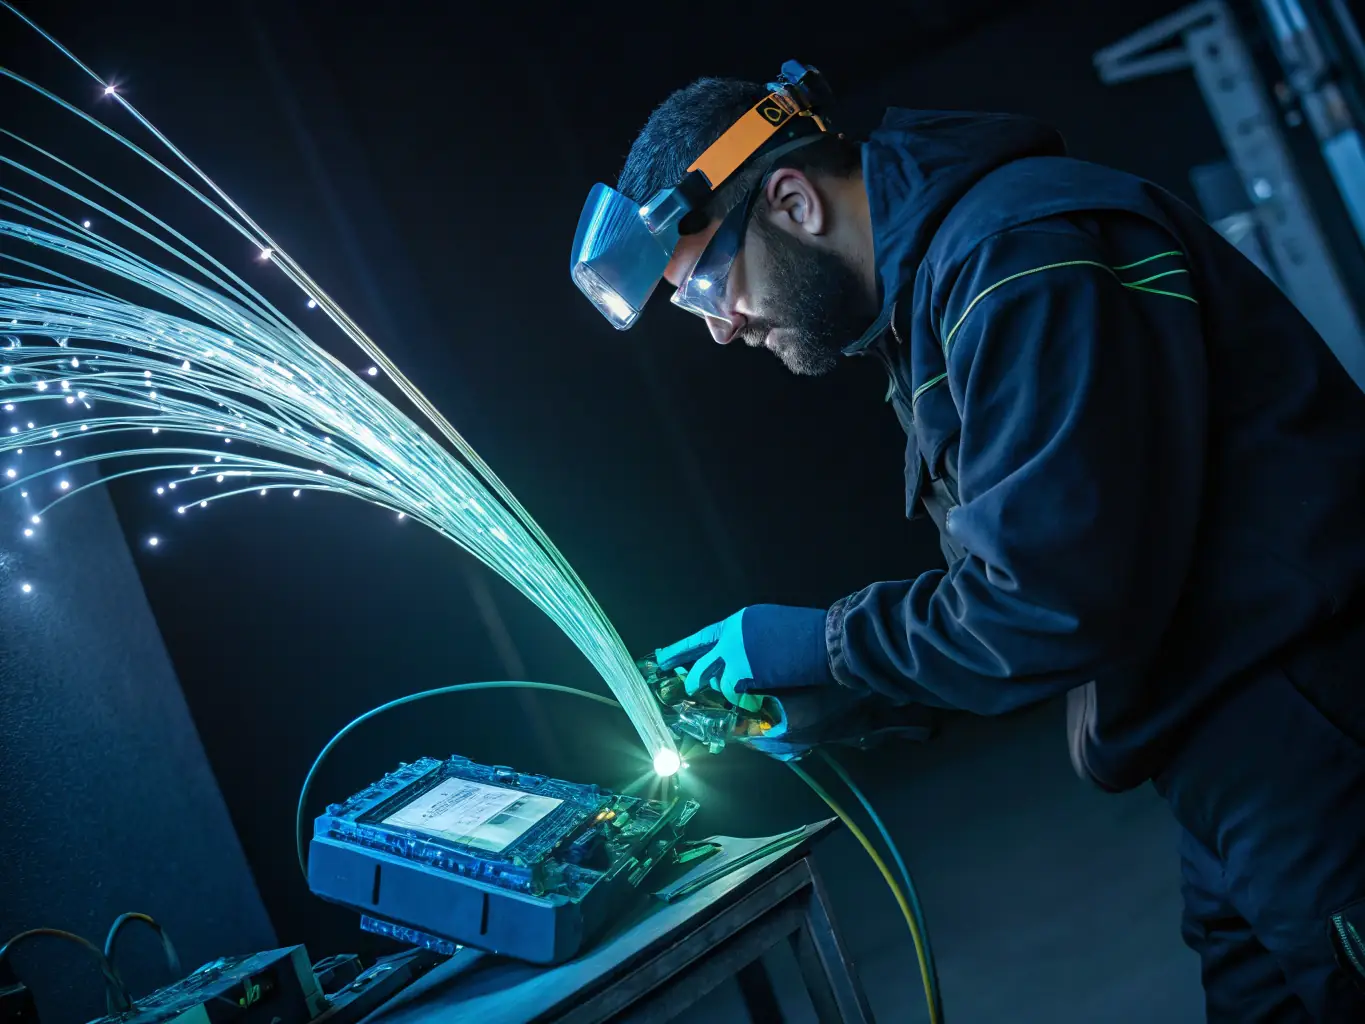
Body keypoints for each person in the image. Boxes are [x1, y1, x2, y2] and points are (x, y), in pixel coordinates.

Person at [569, 63, 1365, 1020]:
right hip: (1229, 762)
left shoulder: (1018, 258)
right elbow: (1055, 587)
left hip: (1312, 737)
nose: (720, 329)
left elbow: (1047, 599)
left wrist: (814, 648)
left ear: (791, 199)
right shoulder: (945, 292)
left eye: (703, 285)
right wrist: (826, 702)